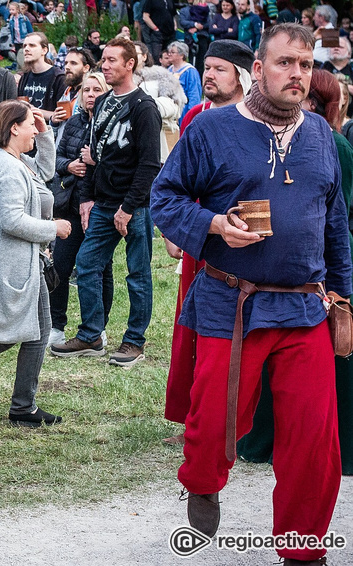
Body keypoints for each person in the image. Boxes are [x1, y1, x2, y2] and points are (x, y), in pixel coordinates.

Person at [150, 24, 351, 565]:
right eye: (286, 63)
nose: (298, 75)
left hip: (305, 306)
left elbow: (336, 225)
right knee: (214, 418)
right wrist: (214, 225)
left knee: (314, 438)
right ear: (257, 70)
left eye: (306, 65)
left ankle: (303, 548)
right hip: (229, 302)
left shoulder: (321, 138)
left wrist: (344, 299)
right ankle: (202, 479)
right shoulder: (211, 130)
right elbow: (164, 198)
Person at [237, 68, 353, 478]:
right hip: (259, 279)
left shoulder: (329, 141)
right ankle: (259, 442)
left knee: (317, 388)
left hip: (313, 278)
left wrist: (338, 288)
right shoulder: (250, 132)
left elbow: (336, 215)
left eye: (303, 71)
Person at [162, 38, 254, 446]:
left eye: (220, 68)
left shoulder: (256, 120)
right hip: (201, 235)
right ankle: (191, 419)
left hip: (242, 243)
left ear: (242, 75)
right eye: (207, 68)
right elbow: (175, 185)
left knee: (234, 333)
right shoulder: (194, 116)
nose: (209, 75)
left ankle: (231, 421)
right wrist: (175, 231)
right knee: (192, 327)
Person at [52, 37, 161, 367]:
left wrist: (128, 208)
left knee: (137, 274)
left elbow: (149, 165)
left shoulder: (143, 108)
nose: (106, 65)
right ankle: (91, 335)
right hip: (102, 203)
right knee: (86, 264)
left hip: (134, 206)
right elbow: (92, 157)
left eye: (113, 60)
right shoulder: (101, 104)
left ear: (130, 64)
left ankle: (134, 341)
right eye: (104, 59)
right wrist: (87, 198)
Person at [0, 99, 69, 426]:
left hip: (27, 264)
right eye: (29, 125)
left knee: (37, 331)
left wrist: (44, 134)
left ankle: (23, 407)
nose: (33, 129)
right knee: (2, 336)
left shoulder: (17, 161)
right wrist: (52, 228)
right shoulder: (9, 169)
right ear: (14, 128)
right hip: (12, 265)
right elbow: (11, 221)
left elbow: (46, 170)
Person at [49, 72, 114, 351]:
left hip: (101, 205)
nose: (90, 94)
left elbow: (117, 163)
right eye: (86, 89)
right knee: (60, 266)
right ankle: (56, 325)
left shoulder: (113, 124)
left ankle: (98, 327)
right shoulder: (73, 122)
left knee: (101, 269)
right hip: (70, 205)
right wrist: (69, 165)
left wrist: (92, 163)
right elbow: (57, 157)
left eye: (96, 89)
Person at [16, 32, 65, 122]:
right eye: (24, 46)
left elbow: (61, 114)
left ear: (44, 50)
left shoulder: (59, 78)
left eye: (32, 45)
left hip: (49, 132)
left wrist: (32, 110)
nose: (26, 49)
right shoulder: (25, 76)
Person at [166, 41, 201, 123]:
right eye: (169, 52)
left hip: (184, 112)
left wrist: (190, 114)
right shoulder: (169, 70)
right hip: (170, 111)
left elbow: (194, 95)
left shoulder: (190, 71)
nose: (169, 54)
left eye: (173, 52)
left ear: (182, 55)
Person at [142, 0, 176, 64]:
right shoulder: (150, 1)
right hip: (157, 34)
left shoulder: (170, 1)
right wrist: (155, 28)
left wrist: (175, 26)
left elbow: (173, 15)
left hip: (170, 34)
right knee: (156, 57)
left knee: (170, 57)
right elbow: (145, 16)